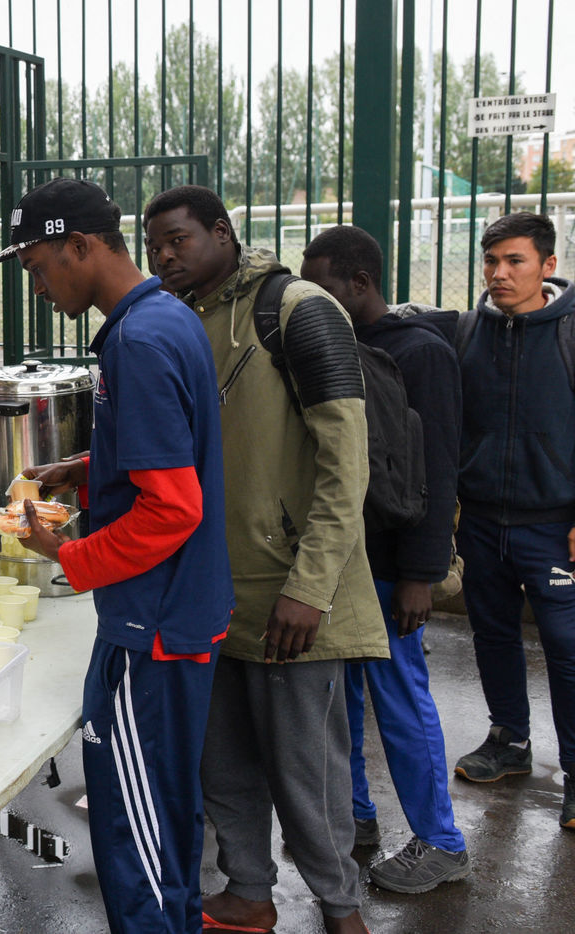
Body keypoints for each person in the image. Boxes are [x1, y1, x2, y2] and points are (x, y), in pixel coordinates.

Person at [0, 178, 232, 932]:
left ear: (80, 246)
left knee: (132, 821)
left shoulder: (139, 341)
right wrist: (88, 471)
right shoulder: (165, 317)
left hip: (150, 624)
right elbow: (170, 455)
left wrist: (70, 551)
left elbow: (174, 507)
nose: (38, 287)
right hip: (178, 609)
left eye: (38, 268)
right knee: (166, 806)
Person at [142, 186, 386, 934]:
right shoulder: (179, 320)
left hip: (292, 597)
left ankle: (341, 909)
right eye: (153, 246)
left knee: (307, 774)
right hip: (214, 594)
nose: (164, 256)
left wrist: (310, 588)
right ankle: (248, 892)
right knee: (224, 766)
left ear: (223, 232)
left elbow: (346, 464)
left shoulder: (298, 309)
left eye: (178, 239)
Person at [302, 225, 470, 892]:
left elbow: (439, 470)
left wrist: (421, 575)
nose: (309, 303)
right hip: (343, 562)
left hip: (393, 568)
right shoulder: (337, 347)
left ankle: (442, 842)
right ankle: (355, 815)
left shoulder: (421, 353)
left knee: (400, 701)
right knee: (340, 700)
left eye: (321, 289)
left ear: (359, 283)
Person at [448, 211, 575, 830]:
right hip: (481, 520)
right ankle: (509, 741)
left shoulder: (570, 333)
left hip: (553, 525)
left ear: (547, 265)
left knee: (567, 649)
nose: (499, 273)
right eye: (491, 261)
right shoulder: (469, 332)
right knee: (493, 634)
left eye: (514, 261)